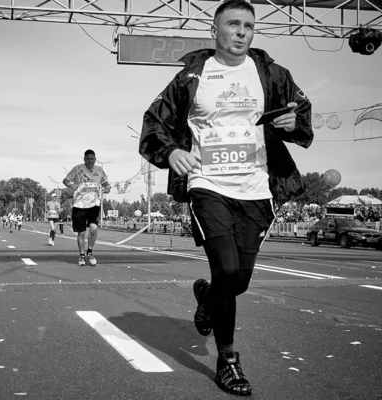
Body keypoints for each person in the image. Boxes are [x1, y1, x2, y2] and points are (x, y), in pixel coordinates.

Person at [138, 0, 313, 395]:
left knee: (238, 280)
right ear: (215, 30)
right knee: (227, 270)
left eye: (248, 26)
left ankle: (206, 296)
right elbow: (154, 124)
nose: (241, 32)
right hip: (208, 184)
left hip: (256, 188)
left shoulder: (271, 73)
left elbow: (301, 115)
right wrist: (171, 152)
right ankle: (228, 360)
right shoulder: (192, 77)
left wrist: (292, 121)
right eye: (233, 24)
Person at [62, 149, 111, 266]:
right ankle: (82, 255)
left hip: (94, 204)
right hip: (79, 205)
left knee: (93, 228)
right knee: (82, 233)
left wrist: (108, 188)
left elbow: (106, 184)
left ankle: (90, 252)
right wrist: (72, 185)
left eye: (92, 159)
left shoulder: (99, 170)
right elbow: (65, 180)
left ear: (95, 159)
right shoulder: (77, 169)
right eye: (88, 159)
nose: (90, 161)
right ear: (84, 159)